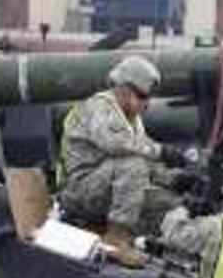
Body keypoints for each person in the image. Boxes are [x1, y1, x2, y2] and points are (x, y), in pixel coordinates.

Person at [58, 55, 194, 264]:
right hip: (79, 191)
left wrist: (175, 180)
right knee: (132, 165)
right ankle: (116, 240)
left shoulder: (132, 121)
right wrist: (163, 152)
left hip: (105, 188)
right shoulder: (99, 107)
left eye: (148, 97)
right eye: (142, 95)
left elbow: (147, 164)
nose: (146, 103)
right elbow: (118, 145)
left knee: (168, 201)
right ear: (123, 88)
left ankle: (156, 245)